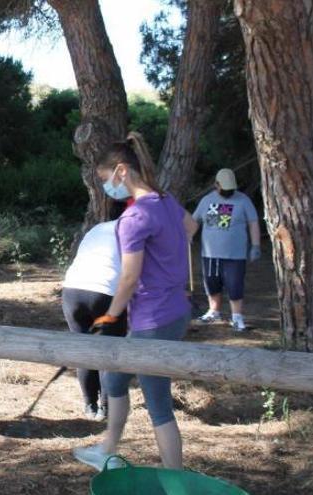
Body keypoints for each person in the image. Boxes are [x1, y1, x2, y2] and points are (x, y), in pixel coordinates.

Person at [73, 132, 197, 472]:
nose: (105, 188)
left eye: (104, 180)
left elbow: (128, 278)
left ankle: (176, 480)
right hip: (174, 312)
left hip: (153, 320)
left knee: (158, 405)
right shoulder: (165, 200)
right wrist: (171, 266)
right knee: (114, 378)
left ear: (121, 171)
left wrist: (110, 316)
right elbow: (191, 226)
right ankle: (107, 450)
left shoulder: (134, 218)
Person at [61, 201, 128, 421]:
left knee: (84, 349)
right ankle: (106, 408)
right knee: (108, 351)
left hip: (72, 291)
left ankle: (89, 405)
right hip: (105, 292)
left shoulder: (97, 229)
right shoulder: (132, 232)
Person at [191, 168, 260, 331]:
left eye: (231, 189)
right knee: (211, 283)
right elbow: (195, 220)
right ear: (216, 185)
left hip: (234, 255)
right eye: (225, 189)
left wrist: (256, 245)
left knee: (234, 284)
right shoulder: (206, 201)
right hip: (210, 254)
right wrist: (188, 235)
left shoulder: (244, 201)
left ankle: (237, 317)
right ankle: (213, 311)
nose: (228, 192)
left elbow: (253, 222)